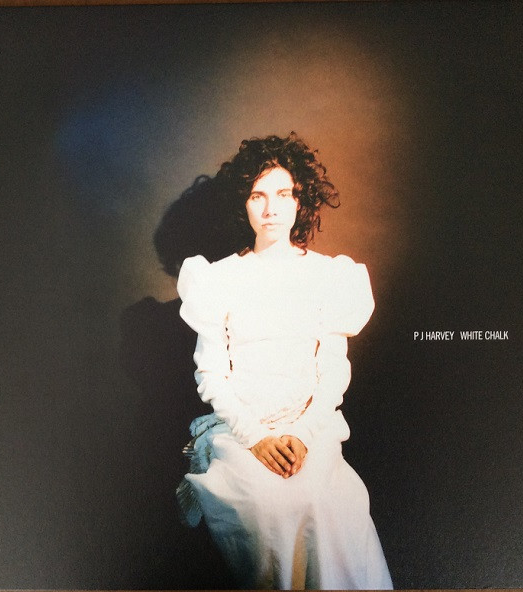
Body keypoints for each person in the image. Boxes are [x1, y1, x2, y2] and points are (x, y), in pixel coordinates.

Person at [175, 133, 392, 590]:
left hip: (309, 428)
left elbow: (333, 373)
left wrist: (303, 434)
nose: (271, 208)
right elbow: (211, 374)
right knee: (267, 504)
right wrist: (256, 438)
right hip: (241, 431)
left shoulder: (329, 276)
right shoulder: (217, 279)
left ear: (300, 201)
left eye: (283, 194)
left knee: (321, 499)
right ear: (244, 204)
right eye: (258, 195)